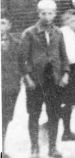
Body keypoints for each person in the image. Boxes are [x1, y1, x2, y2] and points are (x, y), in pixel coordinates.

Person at [20, 0, 69, 158]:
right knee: (34, 114)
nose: (47, 17)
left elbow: (64, 56)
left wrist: (65, 74)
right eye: (43, 13)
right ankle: (34, 148)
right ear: (38, 13)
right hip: (35, 82)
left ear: (55, 14)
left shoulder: (58, 33)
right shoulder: (29, 33)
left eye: (50, 13)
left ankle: (52, 148)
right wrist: (28, 78)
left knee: (54, 114)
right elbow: (23, 59)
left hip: (54, 81)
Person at [58, 10, 75, 142]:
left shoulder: (71, 33)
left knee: (70, 102)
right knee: (67, 101)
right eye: (72, 21)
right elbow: (65, 55)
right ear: (66, 21)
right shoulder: (64, 33)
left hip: (73, 68)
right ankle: (65, 131)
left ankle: (66, 130)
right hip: (67, 69)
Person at [2, 15, 23, 157]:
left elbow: (21, 65)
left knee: (5, 119)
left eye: (2, 23)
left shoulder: (16, 43)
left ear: (9, 26)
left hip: (10, 87)